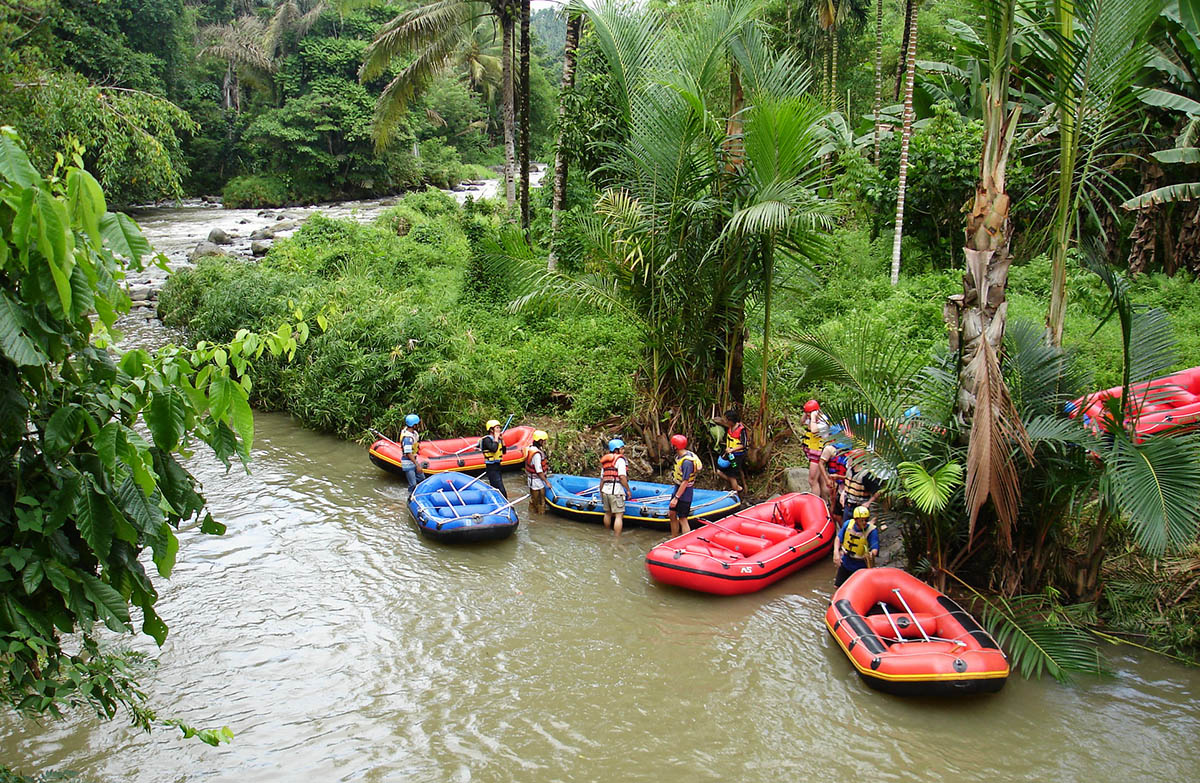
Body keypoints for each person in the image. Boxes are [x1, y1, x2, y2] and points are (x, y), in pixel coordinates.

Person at [832, 505, 880, 586]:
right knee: (837, 586)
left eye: (866, 520)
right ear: (855, 520)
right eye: (861, 520)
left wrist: (871, 554)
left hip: (860, 565)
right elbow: (838, 538)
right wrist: (836, 552)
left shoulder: (872, 531)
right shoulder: (848, 524)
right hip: (846, 561)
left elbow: (875, 548)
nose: (864, 523)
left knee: (856, 587)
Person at [668, 434, 703, 537]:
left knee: (683, 518)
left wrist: (676, 498)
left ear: (675, 446)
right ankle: (673, 538)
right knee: (672, 514)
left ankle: (684, 542)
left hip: (685, 492)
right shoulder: (679, 456)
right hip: (677, 488)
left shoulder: (687, 462)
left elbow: (685, 481)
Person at [600, 438, 631, 537]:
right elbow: (622, 477)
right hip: (616, 491)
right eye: (621, 449)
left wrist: (601, 491)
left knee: (608, 513)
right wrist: (628, 490)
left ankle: (606, 533)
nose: (623, 451)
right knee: (619, 515)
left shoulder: (606, 460)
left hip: (605, 491)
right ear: (616, 450)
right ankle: (617, 539)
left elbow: (602, 478)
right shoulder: (620, 460)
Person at [840, 450, 881, 524]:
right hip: (848, 505)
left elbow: (877, 492)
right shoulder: (849, 470)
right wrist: (843, 493)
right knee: (847, 528)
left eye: (850, 458)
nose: (847, 460)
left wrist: (868, 503)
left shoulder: (866, 475)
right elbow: (847, 484)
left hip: (860, 508)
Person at [716, 408, 747, 494]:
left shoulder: (741, 430)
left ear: (731, 420)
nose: (725, 421)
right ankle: (734, 484)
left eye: (726, 420)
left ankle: (738, 489)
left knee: (732, 474)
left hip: (737, 455)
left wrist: (732, 449)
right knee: (719, 471)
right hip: (729, 453)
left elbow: (744, 444)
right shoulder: (729, 427)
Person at [802, 399, 829, 494]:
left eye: (810, 413)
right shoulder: (811, 418)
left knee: (812, 480)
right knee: (821, 480)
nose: (808, 415)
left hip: (818, 454)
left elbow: (814, 430)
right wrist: (806, 413)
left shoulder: (823, 422)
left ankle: (816, 503)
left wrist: (813, 417)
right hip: (813, 451)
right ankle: (825, 502)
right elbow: (802, 422)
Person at [816, 424, 845, 509]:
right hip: (833, 480)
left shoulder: (847, 447)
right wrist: (826, 479)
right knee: (833, 504)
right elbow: (821, 463)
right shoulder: (829, 448)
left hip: (843, 480)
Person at [479, 419, 508, 497]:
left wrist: (502, 440)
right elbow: (494, 449)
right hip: (491, 467)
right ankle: (505, 503)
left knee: (498, 486)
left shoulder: (497, 439)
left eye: (499, 428)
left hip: (497, 465)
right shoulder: (486, 439)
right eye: (497, 428)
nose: (499, 429)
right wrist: (496, 438)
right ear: (491, 429)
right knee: (500, 488)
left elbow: (504, 451)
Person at [524, 430, 550, 514]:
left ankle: (533, 514)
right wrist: (547, 482)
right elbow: (539, 471)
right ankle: (539, 516)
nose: (545, 442)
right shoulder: (536, 454)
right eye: (544, 441)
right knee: (539, 502)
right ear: (540, 441)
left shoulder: (532, 448)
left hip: (533, 479)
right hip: (535, 480)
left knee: (536, 500)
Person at [399, 414, 424, 493]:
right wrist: (417, 465)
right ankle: (410, 496)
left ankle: (418, 493)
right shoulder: (407, 438)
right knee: (413, 484)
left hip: (413, 460)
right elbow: (408, 453)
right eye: (417, 424)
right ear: (414, 425)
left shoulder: (412, 433)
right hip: (408, 462)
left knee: (422, 479)